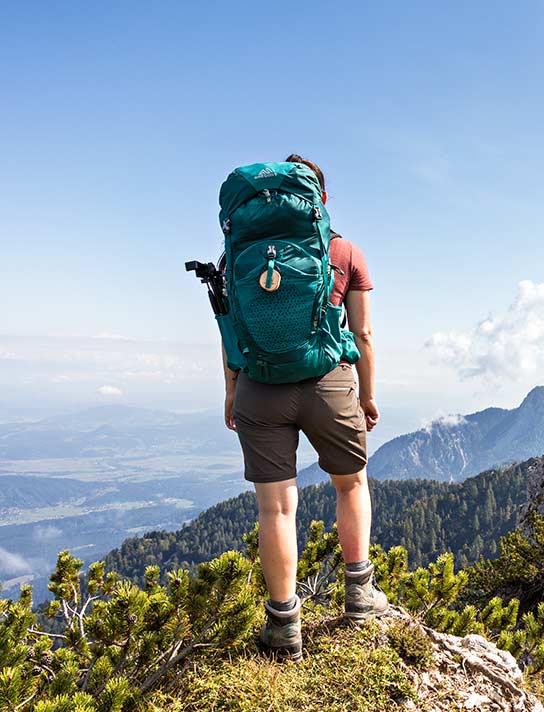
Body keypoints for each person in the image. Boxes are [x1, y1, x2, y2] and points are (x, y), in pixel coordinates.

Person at [221, 154, 386, 661]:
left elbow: (231, 333)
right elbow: (362, 332)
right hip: (328, 383)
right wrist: (367, 393)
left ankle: (284, 628)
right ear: (320, 199)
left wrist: (231, 391)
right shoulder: (345, 251)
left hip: (258, 386)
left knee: (275, 508)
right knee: (350, 483)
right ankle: (359, 600)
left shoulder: (240, 252)